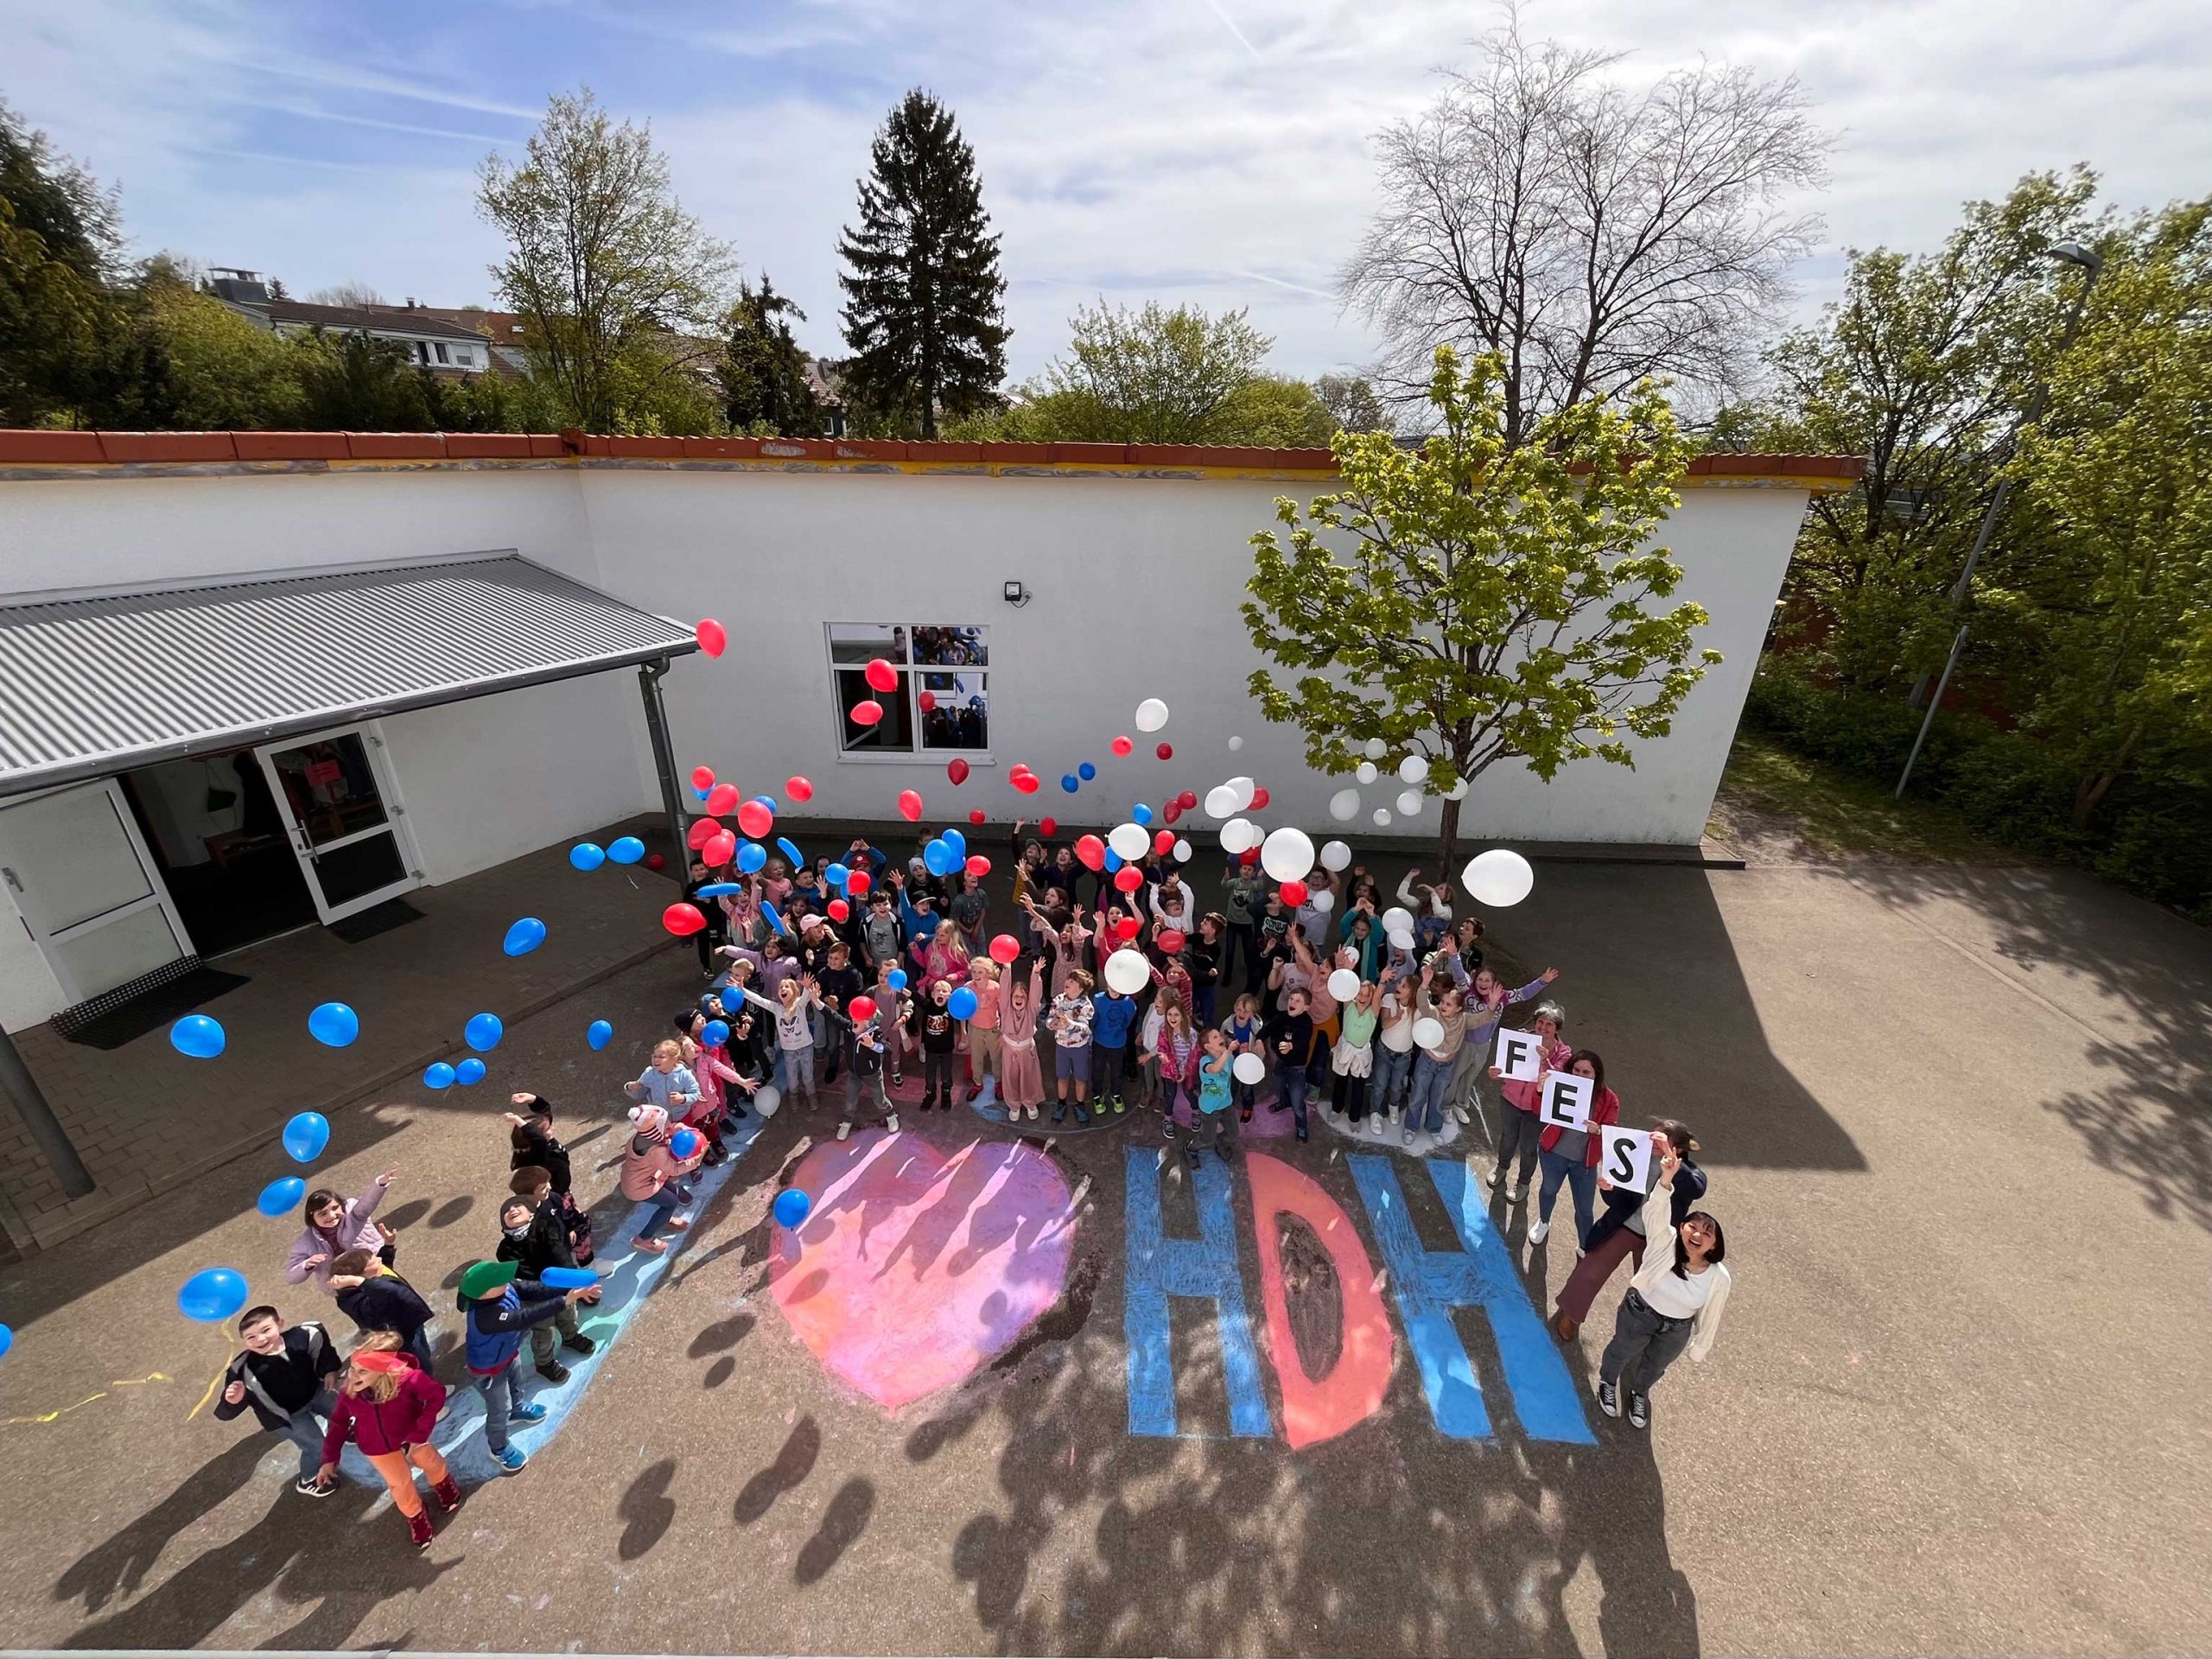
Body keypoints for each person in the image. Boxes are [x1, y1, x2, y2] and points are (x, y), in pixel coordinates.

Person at [1595, 1147, 1729, 1430]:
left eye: (1707, 1234)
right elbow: (1655, 1210)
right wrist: (1666, 1179)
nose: (1697, 1235)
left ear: (1714, 1246)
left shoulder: (1719, 1277)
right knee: (1621, 1350)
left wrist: (1699, 1347)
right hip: (1640, 1311)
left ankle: (1639, 1393)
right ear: (1681, 1228)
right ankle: (1608, 1380)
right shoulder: (1664, 1239)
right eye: (1693, 1227)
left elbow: (1712, 1315)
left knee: (1655, 1366)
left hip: (1678, 1329)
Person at [1551, 1119, 1706, 1340]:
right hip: (1625, 1225)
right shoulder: (1635, 1157)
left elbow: (1697, 1188)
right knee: (1590, 1272)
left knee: (1650, 1288)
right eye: (1653, 1135)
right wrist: (1609, 1189)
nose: (1652, 1141)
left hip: (1658, 1237)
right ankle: (1571, 1314)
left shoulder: (1689, 1172)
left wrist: (1671, 1161)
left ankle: (1635, 1333)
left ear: (1677, 1148)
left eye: (1661, 1139)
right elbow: (1616, 1199)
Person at [456, 1258, 598, 1474]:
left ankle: (519, 1409)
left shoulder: (506, 1288)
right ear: (483, 1293)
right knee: (498, 1410)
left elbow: (535, 1289)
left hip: (508, 1355)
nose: (507, 1281)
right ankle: (499, 1447)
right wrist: (564, 1301)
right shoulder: (487, 1316)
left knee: (516, 1384)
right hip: (488, 1372)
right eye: (500, 1281)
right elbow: (523, 1317)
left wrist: (568, 1288)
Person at [316, 1333, 457, 1549]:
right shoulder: (350, 1392)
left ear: (383, 1370)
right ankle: (416, 1515)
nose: (353, 1376)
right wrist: (329, 1458)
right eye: (352, 1368)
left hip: (410, 1436)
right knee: (399, 1484)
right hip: (377, 1447)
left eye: (362, 1371)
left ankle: (443, 1483)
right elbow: (338, 1424)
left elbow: (436, 1395)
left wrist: (420, 1432)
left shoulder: (409, 1379)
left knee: (430, 1461)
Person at [213, 1305, 345, 1496]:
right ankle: (308, 1478)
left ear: (280, 1324)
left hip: (315, 1392)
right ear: (244, 1342)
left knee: (343, 1411)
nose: (260, 1339)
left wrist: (329, 1370)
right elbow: (226, 1413)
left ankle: (346, 1432)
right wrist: (233, 1401)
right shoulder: (242, 1369)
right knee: (317, 1446)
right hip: (288, 1416)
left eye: (266, 1330)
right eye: (251, 1337)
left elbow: (321, 1345)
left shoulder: (302, 1336)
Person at [495, 1174, 601, 1382]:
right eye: (507, 1212)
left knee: (568, 1314)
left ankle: (570, 1337)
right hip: (537, 1297)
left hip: (561, 1287)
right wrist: (550, 1292)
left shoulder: (547, 1227)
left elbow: (560, 1254)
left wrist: (575, 1281)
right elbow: (522, 1279)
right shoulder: (505, 1250)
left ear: (532, 1214)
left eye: (518, 1206)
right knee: (543, 1331)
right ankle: (544, 1363)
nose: (512, 1210)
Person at [1529, 1050, 1621, 1249]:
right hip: (1553, 1154)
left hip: (1584, 1163)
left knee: (1585, 1208)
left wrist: (1598, 1130)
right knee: (1549, 1189)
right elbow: (1537, 1110)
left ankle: (1585, 1243)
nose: (1580, 1075)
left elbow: (1611, 1130)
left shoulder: (1609, 1098)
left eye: (1586, 1072)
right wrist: (1539, 1090)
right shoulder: (1559, 1084)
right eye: (1576, 1070)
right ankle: (1544, 1221)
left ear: (1597, 1074)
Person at [1490, 1001, 1573, 1198]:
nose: (1543, 1027)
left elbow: (1555, 1080)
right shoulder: (1521, 1037)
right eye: (1540, 1022)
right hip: (1510, 1099)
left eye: (1549, 1024)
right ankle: (1502, 1167)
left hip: (1536, 1108)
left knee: (1528, 1147)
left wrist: (1545, 1061)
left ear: (1557, 1028)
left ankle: (1523, 1183)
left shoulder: (1564, 1052)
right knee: (1508, 1138)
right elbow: (1506, 1068)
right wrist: (1496, 1073)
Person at [284, 1167, 401, 1298]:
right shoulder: (306, 1243)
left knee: (397, 1296)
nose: (331, 1216)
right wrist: (306, 1264)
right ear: (312, 1218)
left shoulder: (352, 1212)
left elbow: (366, 1204)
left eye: (335, 1208)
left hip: (373, 1269)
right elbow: (291, 1276)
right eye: (322, 1214)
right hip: (346, 1290)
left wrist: (380, 1184)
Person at [505, 1096, 593, 1264]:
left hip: (563, 1193)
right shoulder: (539, 1156)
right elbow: (537, 1139)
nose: (550, 1131)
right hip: (555, 1199)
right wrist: (518, 1121)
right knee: (581, 1226)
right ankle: (586, 1261)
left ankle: (575, 1248)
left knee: (577, 1225)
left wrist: (533, 1099)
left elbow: (545, 1113)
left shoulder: (544, 1145)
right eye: (546, 1131)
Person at [327, 1249, 435, 1370]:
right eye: (374, 1262)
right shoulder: (354, 1301)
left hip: (411, 1324)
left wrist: (388, 1248)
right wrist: (361, 1282)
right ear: (359, 1276)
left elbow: (384, 1276)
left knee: (424, 1351)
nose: (380, 1260)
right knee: (419, 1364)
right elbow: (389, 1291)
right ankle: (431, 1385)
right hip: (403, 1338)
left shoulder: (373, 1282)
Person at [619, 1103, 704, 1253]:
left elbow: (663, 1134)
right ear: (656, 1129)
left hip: (639, 1178)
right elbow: (674, 1169)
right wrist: (695, 1161)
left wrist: (679, 1129)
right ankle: (644, 1239)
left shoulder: (642, 1137)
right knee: (671, 1202)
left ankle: (663, 1220)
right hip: (639, 1187)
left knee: (671, 1192)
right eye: (666, 1124)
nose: (670, 1125)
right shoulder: (657, 1151)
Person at [1403, 969, 1471, 1146]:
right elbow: (1422, 1002)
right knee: (1418, 1095)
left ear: (1458, 1009)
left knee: (1437, 1099)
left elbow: (1482, 1019)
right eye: (1443, 1002)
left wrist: (1493, 1004)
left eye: (1449, 1004)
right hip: (1427, 1062)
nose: (1443, 1006)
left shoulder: (1463, 1019)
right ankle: (1410, 1127)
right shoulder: (1433, 1013)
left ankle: (1434, 1128)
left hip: (1446, 1066)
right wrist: (1424, 985)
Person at [736, 975, 825, 1107]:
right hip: (789, 1051)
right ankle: (793, 1095)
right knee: (792, 1079)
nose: (783, 989)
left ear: (794, 992)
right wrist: (742, 991)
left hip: (805, 1047)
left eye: (787, 987)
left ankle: (811, 1095)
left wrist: (806, 987)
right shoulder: (776, 1008)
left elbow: (806, 996)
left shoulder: (799, 1005)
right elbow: (759, 1000)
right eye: (781, 987)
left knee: (808, 1077)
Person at [823, 999, 897, 1140]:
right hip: (854, 1074)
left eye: (858, 1018)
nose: (854, 1020)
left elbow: (888, 1049)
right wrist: (815, 1000)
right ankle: (846, 1122)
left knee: (879, 1100)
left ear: (869, 1022)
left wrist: (873, 1045)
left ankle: (891, 1114)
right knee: (850, 1101)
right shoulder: (849, 1029)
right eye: (853, 1016)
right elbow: (833, 1016)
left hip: (872, 1075)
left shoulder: (876, 1034)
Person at [1259, 988, 1316, 1139]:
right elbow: (1267, 1029)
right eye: (1291, 999)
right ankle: (1284, 1101)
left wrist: (1292, 1046)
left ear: (1306, 1007)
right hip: (1281, 1063)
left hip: (1297, 1068)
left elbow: (1303, 1041)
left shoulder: (1306, 1022)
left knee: (1297, 1102)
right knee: (1277, 1088)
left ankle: (1302, 1127)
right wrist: (1259, 1039)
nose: (1292, 1002)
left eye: (1298, 1001)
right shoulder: (1282, 1017)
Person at [1047, 967, 1097, 1125]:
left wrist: (1069, 1023)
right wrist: (1052, 1024)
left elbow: (1085, 1028)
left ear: (1081, 988)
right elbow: (1049, 1020)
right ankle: (1061, 1104)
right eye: (1068, 979)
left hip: (1079, 1048)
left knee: (1080, 1078)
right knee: (1062, 1076)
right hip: (1061, 1046)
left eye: (1072, 981)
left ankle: (1080, 1105)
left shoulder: (1086, 1005)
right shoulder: (1058, 1000)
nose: (1067, 982)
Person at [1331, 979, 1382, 1126]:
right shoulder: (1349, 1006)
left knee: (1358, 1087)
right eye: (1360, 994)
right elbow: (1345, 982)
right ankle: (1336, 1109)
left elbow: (1378, 996)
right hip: (1345, 1050)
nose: (1363, 998)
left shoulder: (1373, 1012)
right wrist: (1348, 968)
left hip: (1361, 1055)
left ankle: (1354, 1118)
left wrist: (1383, 980)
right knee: (1340, 1082)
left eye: (1367, 996)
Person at [908, 976, 961, 1110]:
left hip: (946, 1050)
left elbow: (964, 1015)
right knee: (930, 1077)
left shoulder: (951, 1009)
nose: (941, 993)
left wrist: (965, 1033)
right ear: (932, 994)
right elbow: (914, 996)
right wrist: (900, 988)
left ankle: (946, 1095)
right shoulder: (928, 1005)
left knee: (946, 1076)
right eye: (938, 990)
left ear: (949, 996)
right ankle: (930, 1095)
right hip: (930, 1050)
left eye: (944, 991)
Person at [1090, 974, 1140, 1116]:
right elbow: (1094, 1019)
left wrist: (1118, 1033)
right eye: (1112, 983)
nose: (1114, 988)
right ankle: (1096, 1094)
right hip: (1099, 1042)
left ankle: (1116, 1094)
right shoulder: (1098, 999)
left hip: (1117, 1044)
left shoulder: (1129, 1003)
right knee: (1097, 1070)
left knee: (1116, 1072)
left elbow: (1127, 1021)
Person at [1190, 1027, 1237, 1166]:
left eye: (1220, 1035)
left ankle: (1221, 1144)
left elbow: (1237, 1070)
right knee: (1207, 1139)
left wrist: (1244, 1053)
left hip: (1226, 1103)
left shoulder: (1229, 1058)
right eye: (1215, 1037)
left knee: (1233, 1134)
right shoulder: (1205, 1061)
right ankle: (1191, 1149)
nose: (1221, 1038)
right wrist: (1227, 1051)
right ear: (1208, 1046)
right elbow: (1215, 1069)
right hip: (1210, 1108)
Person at [623, 1039, 700, 1123]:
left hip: (681, 1117)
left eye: (661, 1057)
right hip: (658, 1118)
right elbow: (640, 1094)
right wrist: (630, 1087)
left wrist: (683, 1098)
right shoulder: (649, 1074)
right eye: (654, 1056)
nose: (656, 1059)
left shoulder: (684, 1075)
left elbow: (696, 1093)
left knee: (682, 1136)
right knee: (661, 1136)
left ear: (674, 1059)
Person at [965, 956, 1003, 1107]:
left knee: (996, 1058)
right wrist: (963, 1031)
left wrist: (1005, 1027)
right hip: (974, 1028)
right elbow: (962, 1009)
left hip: (993, 1029)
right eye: (974, 971)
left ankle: (998, 1083)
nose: (976, 975)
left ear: (988, 973)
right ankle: (977, 1083)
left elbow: (1003, 1007)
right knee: (976, 1058)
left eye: (980, 972)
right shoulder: (968, 987)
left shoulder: (996, 988)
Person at [1225, 993, 1262, 1122]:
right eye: (1239, 1009)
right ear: (1235, 1008)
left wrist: (1249, 1054)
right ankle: (1229, 1106)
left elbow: (1260, 1053)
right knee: (1232, 1086)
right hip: (1232, 1062)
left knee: (1247, 1089)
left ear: (1252, 1013)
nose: (1241, 1013)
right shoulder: (1227, 1024)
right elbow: (1220, 1041)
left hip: (1248, 1064)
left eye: (1246, 1011)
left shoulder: (1256, 1028)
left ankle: (1248, 1108)